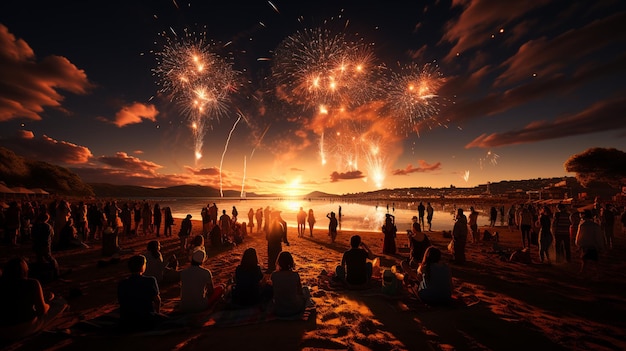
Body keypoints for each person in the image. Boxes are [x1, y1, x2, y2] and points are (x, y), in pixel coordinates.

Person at [0, 257, 68, 340]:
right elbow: (41, 311)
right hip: (23, 327)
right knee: (60, 303)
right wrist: (47, 303)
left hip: (2, 330)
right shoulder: (32, 283)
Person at [117, 255, 166, 331]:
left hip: (127, 320)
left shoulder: (122, 283)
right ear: (142, 266)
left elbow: (121, 302)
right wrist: (157, 313)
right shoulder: (150, 280)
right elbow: (157, 300)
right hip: (146, 319)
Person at [270, 251, 309, 317]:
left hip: (278, 310)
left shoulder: (274, 275)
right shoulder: (295, 275)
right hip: (295, 309)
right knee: (306, 290)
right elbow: (299, 292)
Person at [575, 210, 606, 278]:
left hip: (585, 246)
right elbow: (598, 237)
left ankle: (583, 272)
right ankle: (597, 273)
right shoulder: (595, 226)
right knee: (595, 261)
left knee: (584, 260)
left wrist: (578, 244)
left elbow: (578, 236)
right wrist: (601, 246)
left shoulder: (582, 225)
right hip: (593, 246)